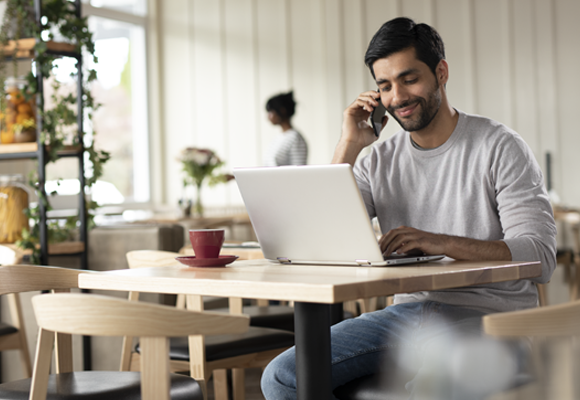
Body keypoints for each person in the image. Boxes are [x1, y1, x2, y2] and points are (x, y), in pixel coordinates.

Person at [261, 17, 556, 399]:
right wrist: (349, 144)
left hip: (493, 318)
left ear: (441, 72)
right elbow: (310, 234)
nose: (397, 96)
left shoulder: (499, 146)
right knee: (283, 376)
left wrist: (439, 242)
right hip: (404, 317)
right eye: (385, 85)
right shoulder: (377, 158)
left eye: (409, 79)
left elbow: (540, 256)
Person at [264, 91, 308, 166]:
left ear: (282, 111)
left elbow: (299, 171)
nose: (268, 117)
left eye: (270, 112)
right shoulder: (279, 138)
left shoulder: (295, 139)